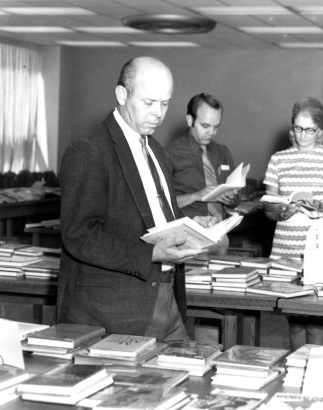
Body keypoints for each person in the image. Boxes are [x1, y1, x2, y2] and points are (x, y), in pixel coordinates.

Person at [56, 56, 217, 341]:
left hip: (168, 299)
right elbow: (79, 234)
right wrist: (151, 253)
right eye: (148, 102)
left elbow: (154, 217)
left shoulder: (156, 150)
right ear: (121, 95)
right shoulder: (89, 149)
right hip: (117, 311)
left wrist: (191, 226)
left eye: (165, 103)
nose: (158, 113)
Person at [263, 97, 323, 351]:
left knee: (317, 317)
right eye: (298, 128)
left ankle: (316, 372)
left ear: (320, 131)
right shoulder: (278, 160)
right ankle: (296, 369)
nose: (302, 134)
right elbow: (269, 207)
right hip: (286, 243)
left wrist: (322, 206)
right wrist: (282, 211)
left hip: (320, 244)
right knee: (294, 318)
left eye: (309, 129)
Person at [166, 93, 240, 255]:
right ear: (190, 120)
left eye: (216, 127)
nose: (211, 132)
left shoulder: (223, 152)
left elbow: (235, 202)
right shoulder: (169, 154)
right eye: (205, 126)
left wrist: (232, 198)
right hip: (186, 239)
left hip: (220, 236)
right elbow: (161, 203)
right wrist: (196, 196)